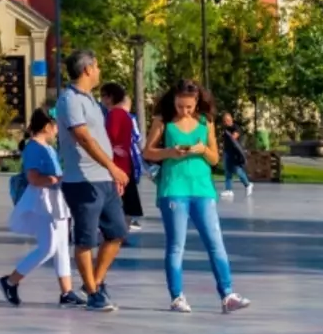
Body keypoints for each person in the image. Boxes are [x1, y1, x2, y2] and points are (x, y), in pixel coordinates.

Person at [144, 80, 250, 314]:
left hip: (202, 189)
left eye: (190, 107)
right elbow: (147, 151)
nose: (185, 111)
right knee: (176, 246)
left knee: (215, 243)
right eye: (181, 106)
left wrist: (202, 150)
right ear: (174, 101)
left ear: (197, 102)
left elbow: (214, 158)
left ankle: (227, 294)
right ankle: (177, 296)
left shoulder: (206, 122)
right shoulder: (163, 122)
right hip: (173, 189)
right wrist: (170, 152)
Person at [56, 48, 130, 312]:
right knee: (86, 239)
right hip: (82, 181)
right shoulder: (69, 100)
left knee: (118, 232)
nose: (99, 71)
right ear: (87, 69)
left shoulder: (92, 101)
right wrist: (111, 166)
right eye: (97, 66)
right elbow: (84, 138)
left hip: (104, 180)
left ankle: (94, 285)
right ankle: (94, 292)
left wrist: (113, 172)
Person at [0, 110, 79, 307]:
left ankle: (66, 292)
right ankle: (10, 281)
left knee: (60, 247)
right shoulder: (34, 148)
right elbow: (33, 178)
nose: (58, 130)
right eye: (56, 125)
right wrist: (54, 179)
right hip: (43, 201)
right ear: (46, 127)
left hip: (55, 199)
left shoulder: (47, 147)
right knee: (48, 247)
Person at [101, 84, 145, 226]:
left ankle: (116, 232)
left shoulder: (114, 114)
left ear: (110, 97)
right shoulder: (125, 115)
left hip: (116, 161)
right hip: (125, 160)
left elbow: (110, 137)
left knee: (116, 199)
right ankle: (123, 230)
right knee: (126, 199)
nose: (102, 100)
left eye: (103, 96)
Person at [218, 111, 252, 197]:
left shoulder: (235, 127)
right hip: (227, 152)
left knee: (238, 171)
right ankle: (229, 190)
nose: (226, 122)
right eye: (225, 121)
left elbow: (234, 137)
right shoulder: (225, 129)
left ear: (231, 119)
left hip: (235, 154)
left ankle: (248, 185)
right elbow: (224, 141)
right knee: (227, 172)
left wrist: (231, 136)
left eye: (228, 120)